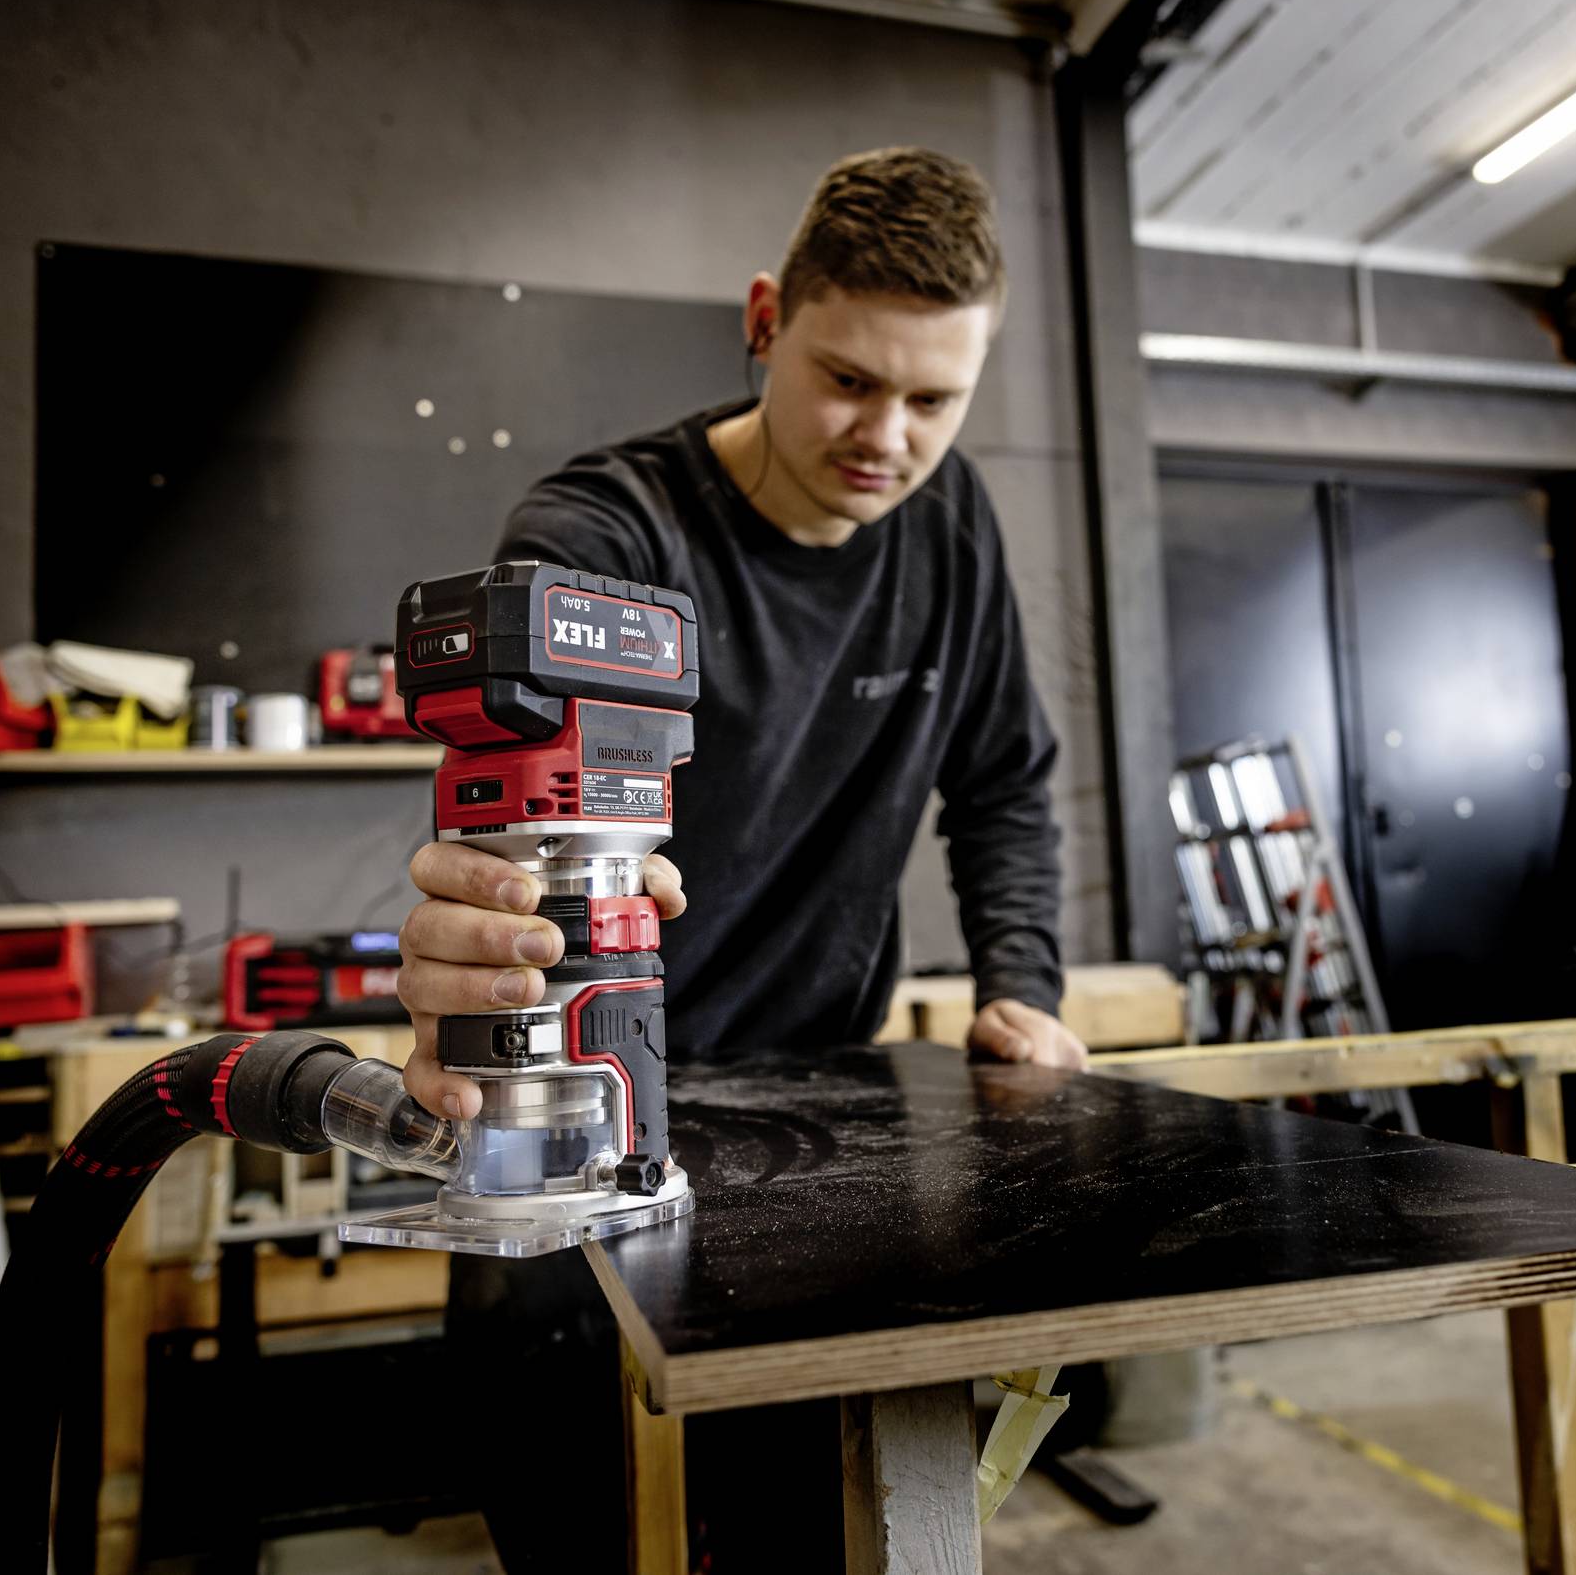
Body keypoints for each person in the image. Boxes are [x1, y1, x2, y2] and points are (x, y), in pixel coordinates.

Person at [394, 147, 1082, 1566]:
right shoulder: (606, 534)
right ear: (765, 318)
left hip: (832, 1121)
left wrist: (1025, 980)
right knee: (585, 1521)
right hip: (590, 1125)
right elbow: (507, 823)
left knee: (811, 1530)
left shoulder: (949, 532)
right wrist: (501, 908)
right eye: (847, 378)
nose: (886, 436)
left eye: (934, 399)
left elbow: (1007, 779)